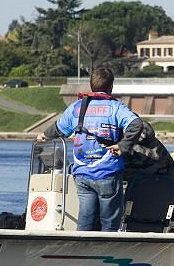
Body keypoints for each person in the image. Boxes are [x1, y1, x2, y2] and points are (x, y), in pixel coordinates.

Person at [37, 67, 141, 232]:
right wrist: (123, 146)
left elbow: (59, 129)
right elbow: (136, 124)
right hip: (108, 172)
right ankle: (107, 255)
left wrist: (44, 135)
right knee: (109, 224)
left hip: (82, 174)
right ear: (111, 87)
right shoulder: (116, 108)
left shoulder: (77, 107)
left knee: (85, 220)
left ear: (91, 85)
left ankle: (82, 252)